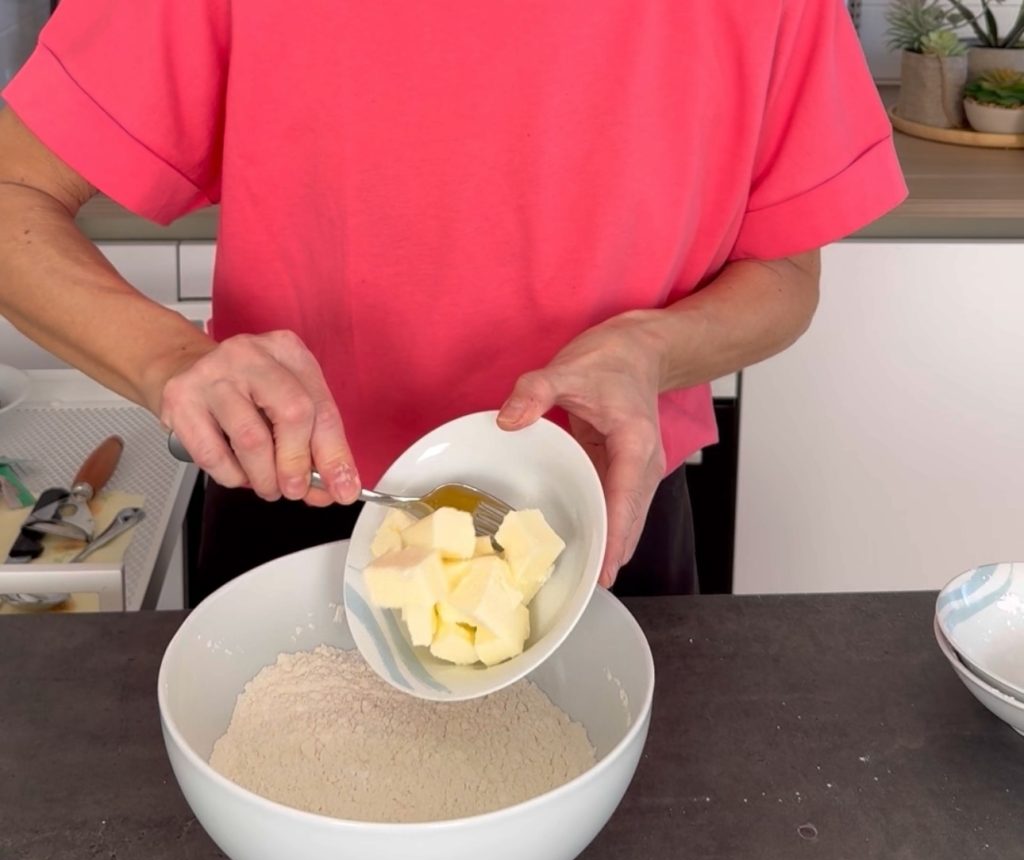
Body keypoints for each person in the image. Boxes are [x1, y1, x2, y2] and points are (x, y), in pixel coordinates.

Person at [0, 0, 906, 602]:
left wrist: (652, 351)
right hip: (296, 500)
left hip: (607, 516)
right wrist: (173, 362)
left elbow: (785, 273)